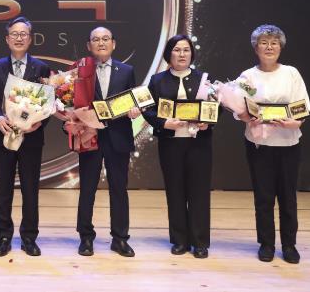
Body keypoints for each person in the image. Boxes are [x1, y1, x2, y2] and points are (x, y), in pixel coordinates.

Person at [235, 24, 309, 264]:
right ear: (256, 47)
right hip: (259, 145)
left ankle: (289, 245)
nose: (269, 47)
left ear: (281, 47)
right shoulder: (248, 77)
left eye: (274, 43)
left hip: (288, 144)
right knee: (263, 197)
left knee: (288, 198)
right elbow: (239, 107)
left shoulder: (291, 73)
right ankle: (266, 244)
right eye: (264, 43)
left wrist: (295, 122)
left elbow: (302, 105)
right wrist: (247, 117)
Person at [65, 27, 140, 257]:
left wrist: (135, 110)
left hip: (118, 137)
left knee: (119, 189)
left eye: (105, 39)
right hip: (89, 137)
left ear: (113, 44)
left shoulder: (127, 70)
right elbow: (69, 102)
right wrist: (71, 120)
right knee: (87, 189)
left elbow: (133, 100)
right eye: (96, 39)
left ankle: (120, 238)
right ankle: (86, 237)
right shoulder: (80, 71)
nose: (101, 43)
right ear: (89, 45)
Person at [0, 16, 51, 257]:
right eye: (15, 34)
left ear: (30, 39)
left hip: (32, 139)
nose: (19, 38)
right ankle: (3, 236)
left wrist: (38, 123)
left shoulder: (41, 68)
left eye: (23, 34)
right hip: (3, 136)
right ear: (7, 39)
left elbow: (48, 103)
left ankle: (29, 237)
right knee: (2, 189)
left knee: (30, 189)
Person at [142, 35, 213, 259]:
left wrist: (207, 122)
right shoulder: (157, 80)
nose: (182, 54)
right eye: (177, 50)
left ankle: (200, 242)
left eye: (186, 50)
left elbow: (216, 107)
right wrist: (164, 123)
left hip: (199, 144)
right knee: (175, 191)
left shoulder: (204, 79)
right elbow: (148, 110)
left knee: (199, 192)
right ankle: (180, 240)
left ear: (192, 53)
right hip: (170, 144)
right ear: (169, 54)